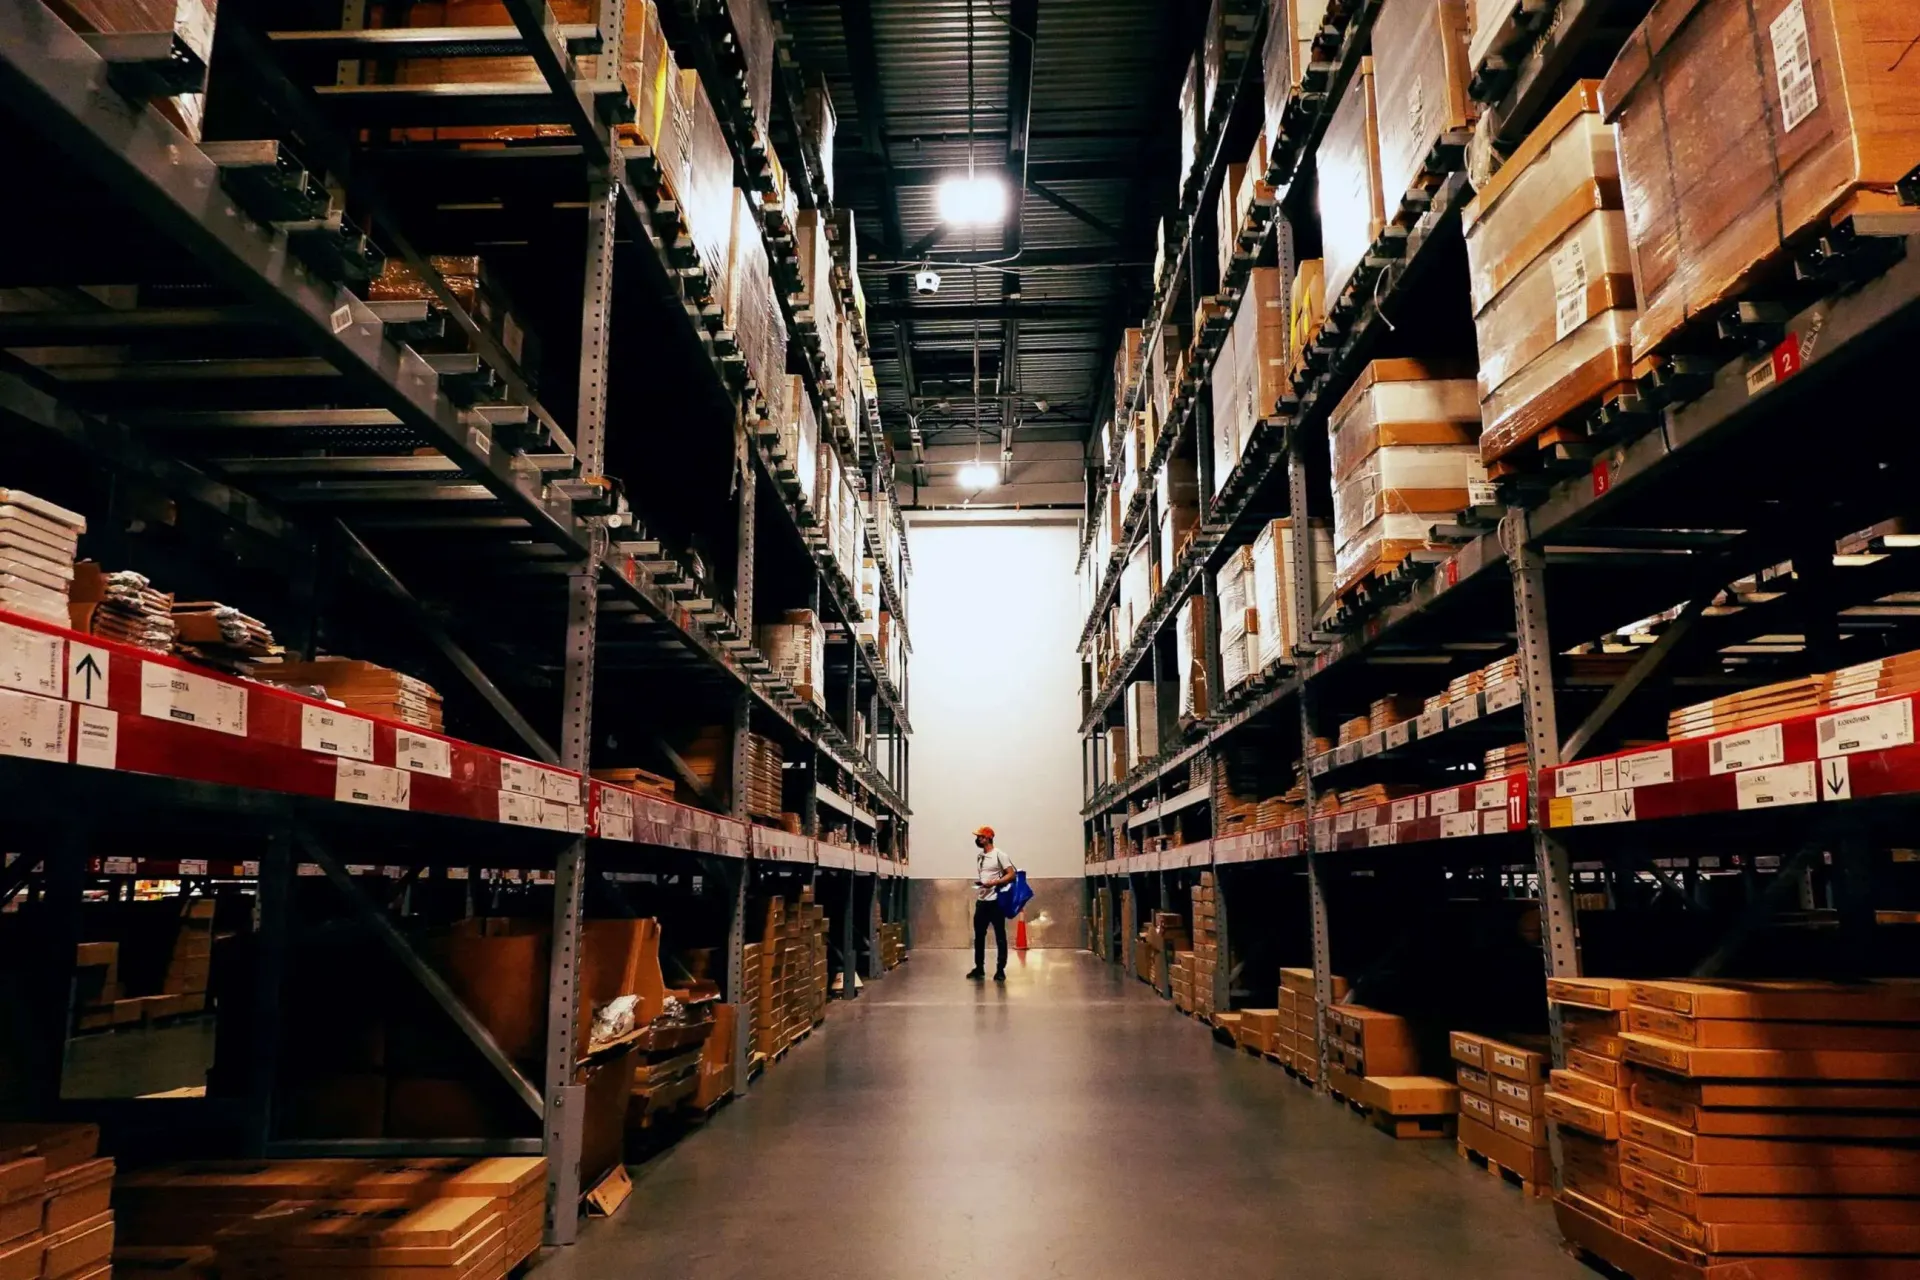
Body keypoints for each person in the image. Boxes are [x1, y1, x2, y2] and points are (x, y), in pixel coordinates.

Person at [968, 825, 1015, 982]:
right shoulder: (980, 857)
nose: (977, 839)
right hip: (982, 901)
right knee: (979, 936)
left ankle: (1000, 969)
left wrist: (995, 882)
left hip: (995, 902)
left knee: (1000, 936)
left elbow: (1011, 874)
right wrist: (982, 883)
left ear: (987, 838)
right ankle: (979, 968)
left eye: (980, 837)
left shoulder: (999, 855)